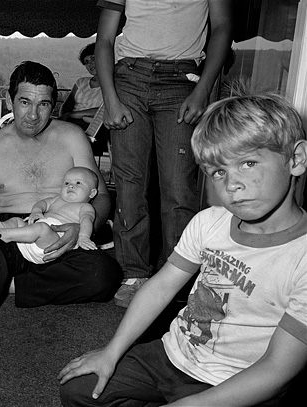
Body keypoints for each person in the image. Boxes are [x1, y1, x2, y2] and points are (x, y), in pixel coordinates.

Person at [58, 93, 307, 407]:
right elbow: (160, 287)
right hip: (175, 354)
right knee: (80, 387)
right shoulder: (209, 222)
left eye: (248, 163)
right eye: (219, 172)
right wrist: (111, 351)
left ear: (296, 159)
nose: (232, 184)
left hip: (237, 382)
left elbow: (277, 368)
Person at [0, 61, 122, 376]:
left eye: (44, 104)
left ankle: (2, 284)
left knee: (104, 274)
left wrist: (82, 229)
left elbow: (102, 196)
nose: (33, 114)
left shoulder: (71, 136)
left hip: (62, 229)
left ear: (53, 104)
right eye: (25, 102)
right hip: (14, 230)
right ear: (10, 99)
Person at [95, 0, 234, 307]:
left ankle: (179, 275)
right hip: (129, 77)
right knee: (130, 184)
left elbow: (223, 28)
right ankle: (133, 273)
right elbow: (104, 39)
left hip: (183, 79)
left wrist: (203, 90)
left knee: (178, 186)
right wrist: (110, 99)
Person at [0, 166, 100, 264]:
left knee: (41, 228)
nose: (71, 186)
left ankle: (5, 235)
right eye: (66, 183)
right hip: (28, 238)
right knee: (17, 221)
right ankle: (0, 226)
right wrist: (36, 211)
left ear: (92, 193)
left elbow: (86, 221)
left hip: (52, 244)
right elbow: (43, 203)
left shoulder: (85, 207)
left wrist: (84, 237)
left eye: (78, 183)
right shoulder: (57, 199)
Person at [59, 43, 104, 129]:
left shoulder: (114, 83)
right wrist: (63, 119)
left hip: (94, 126)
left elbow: (105, 110)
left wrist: (73, 114)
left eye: (93, 58)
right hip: (71, 123)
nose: (90, 64)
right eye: (86, 62)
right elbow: (66, 106)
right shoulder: (81, 82)